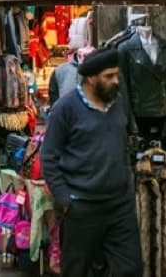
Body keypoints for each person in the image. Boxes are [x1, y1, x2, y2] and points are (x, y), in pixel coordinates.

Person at [40, 47, 143, 277]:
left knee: (129, 268)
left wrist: (128, 185)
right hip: (81, 206)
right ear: (91, 78)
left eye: (117, 75)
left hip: (119, 205)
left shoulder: (119, 104)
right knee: (78, 270)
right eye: (109, 76)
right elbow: (49, 156)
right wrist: (64, 198)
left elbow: (126, 143)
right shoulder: (65, 109)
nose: (116, 81)